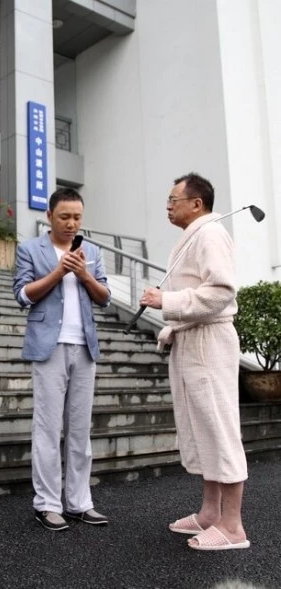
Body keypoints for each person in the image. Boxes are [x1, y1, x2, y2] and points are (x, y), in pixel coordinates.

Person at [140, 172, 249, 551]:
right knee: (203, 427)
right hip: (192, 339)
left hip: (209, 342)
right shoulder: (195, 235)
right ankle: (210, 513)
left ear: (196, 204)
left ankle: (233, 526)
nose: (168, 206)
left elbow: (221, 291)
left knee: (219, 426)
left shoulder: (210, 233)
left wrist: (166, 302)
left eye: (174, 199)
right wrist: (173, 322)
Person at [12, 187, 111, 531]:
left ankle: (80, 502)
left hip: (84, 347)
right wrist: (59, 272)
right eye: (64, 217)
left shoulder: (92, 251)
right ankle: (47, 504)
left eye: (77, 217)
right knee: (48, 428)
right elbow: (22, 295)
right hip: (48, 346)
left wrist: (84, 274)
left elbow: (104, 297)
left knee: (80, 430)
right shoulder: (30, 249)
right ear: (49, 216)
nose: (71, 223)